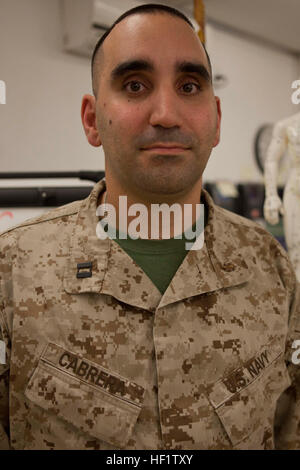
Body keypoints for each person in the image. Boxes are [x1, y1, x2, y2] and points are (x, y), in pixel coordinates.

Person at [0, 3, 300, 451]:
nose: (165, 113)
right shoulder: (13, 270)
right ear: (91, 119)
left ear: (216, 119)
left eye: (189, 85)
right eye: (135, 85)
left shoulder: (270, 268)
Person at [263, 111, 300, 281]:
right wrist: (271, 195)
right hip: (295, 191)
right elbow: (271, 160)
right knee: (296, 252)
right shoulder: (286, 125)